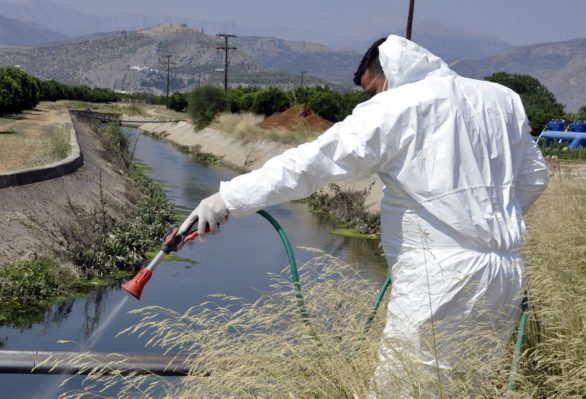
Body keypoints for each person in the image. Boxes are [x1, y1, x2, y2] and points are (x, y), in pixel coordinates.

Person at [180, 35, 548, 395]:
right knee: (473, 385)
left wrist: (227, 199)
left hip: (439, 279)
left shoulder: (399, 105)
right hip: (505, 273)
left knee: (405, 386)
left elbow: (311, 164)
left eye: (371, 90)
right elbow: (534, 178)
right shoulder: (502, 100)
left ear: (386, 72)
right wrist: (484, 227)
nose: (371, 99)